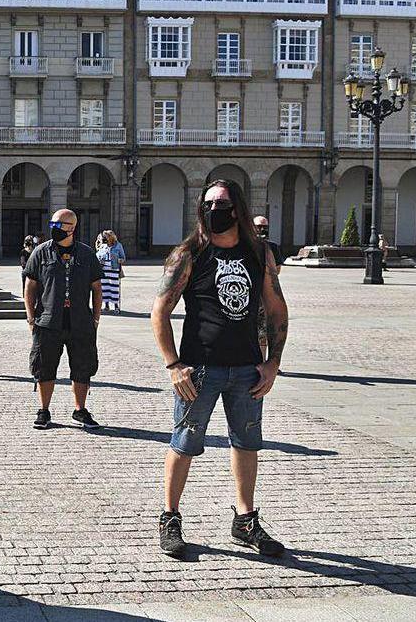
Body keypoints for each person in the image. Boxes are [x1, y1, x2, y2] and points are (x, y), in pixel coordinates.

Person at [151, 180, 289, 559]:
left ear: (237, 208)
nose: (215, 210)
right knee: (184, 444)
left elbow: (276, 310)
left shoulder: (258, 253)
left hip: (247, 369)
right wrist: (174, 364)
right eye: (209, 203)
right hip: (200, 370)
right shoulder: (190, 253)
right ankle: (170, 517)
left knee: (246, 444)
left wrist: (273, 362)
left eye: (222, 203)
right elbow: (159, 311)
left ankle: (244, 521)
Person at [23, 209, 103, 430]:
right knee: (44, 366)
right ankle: (44, 410)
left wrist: (95, 318)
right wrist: (31, 317)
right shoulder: (40, 252)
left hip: (80, 321)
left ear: (72, 228)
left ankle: (80, 410)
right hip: (48, 321)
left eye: (60, 225)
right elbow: (30, 286)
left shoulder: (87, 254)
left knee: (82, 366)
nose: (54, 228)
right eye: (53, 224)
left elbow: (97, 288)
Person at [252, 216, 282, 355]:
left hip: (267, 294)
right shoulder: (247, 245)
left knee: (266, 329)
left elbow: (278, 270)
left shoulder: (273, 247)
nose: (261, 229)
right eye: (258, 226)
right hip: (251, 293)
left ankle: (267, 360)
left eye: (264, 226)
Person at [96, 231, 122, 314]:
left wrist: (120, 260)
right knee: (105, 288)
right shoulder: (103, 246)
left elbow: (123, 257)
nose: (105, 238)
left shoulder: (118, 245)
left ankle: (116, 306)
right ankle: (106, 306)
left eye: (106, 237)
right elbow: (97, 255)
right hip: (104, 269)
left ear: (111, 237)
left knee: (114, 287)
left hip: (114, 269)